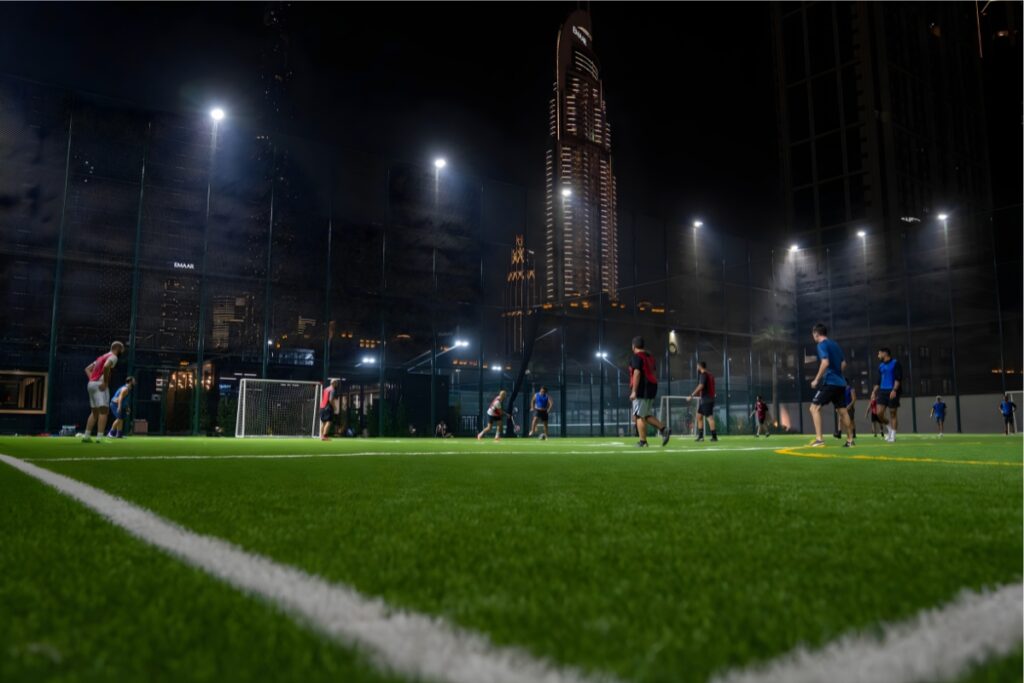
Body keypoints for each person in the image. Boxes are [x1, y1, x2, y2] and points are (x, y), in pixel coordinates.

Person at [808, 324, 852, 447]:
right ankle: (850, 440)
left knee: (814, 408)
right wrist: (837, 374)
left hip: (830, 382)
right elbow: (843, 363)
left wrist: (816, 380)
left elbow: (825, 362)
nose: (813, 336)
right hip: (840, 383)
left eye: (813, 334)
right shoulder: (835, 344)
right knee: (843, 411)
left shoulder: (821, 345)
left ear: (816, 333)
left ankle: (819, 440)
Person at [629, 336, 670, 447]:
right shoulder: (650, 357)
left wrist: (634, 391)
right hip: (651, 386)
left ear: (633, 346)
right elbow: (653, 372)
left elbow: (637, 373)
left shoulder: (637, 357)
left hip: (642, 388)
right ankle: (664, 429)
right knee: (645, 415)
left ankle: (643, 442)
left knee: (639, 415)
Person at [82, 341, 124, 443]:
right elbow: (106, 366)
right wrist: (105, 382)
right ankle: (99, 438)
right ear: (118, 348)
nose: (123, 351)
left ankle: (86, 436)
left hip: (91, 385)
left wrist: (93, 380)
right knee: (104, 411)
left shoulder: (101, 357)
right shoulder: (113, 357)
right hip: (100, 385)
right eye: (122, 349)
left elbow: (87, 369)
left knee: (94, 412)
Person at [874, 347, 903, 442]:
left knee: (892, 413)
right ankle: (889, 429)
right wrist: (873, 392)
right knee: (879, 413)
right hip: (882, 392)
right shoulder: (880, 366)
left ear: (885, 353)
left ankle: (893, 436)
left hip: (892, 391)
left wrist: (894, 390)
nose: (878, 355)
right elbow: (878, 381)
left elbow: (898, 378)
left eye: (879, 353)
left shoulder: (895, 363)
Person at [688, 361, 717, 442]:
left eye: (697, 366)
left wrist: (692, 395)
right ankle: (701, 437)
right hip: (707, 399)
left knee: (709, 417)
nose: (696, 367)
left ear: (700, 366)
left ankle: (714, 437)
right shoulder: (709, 374)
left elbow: (701, 385)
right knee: (699, 416)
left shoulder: (703, 374)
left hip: (707, 399)